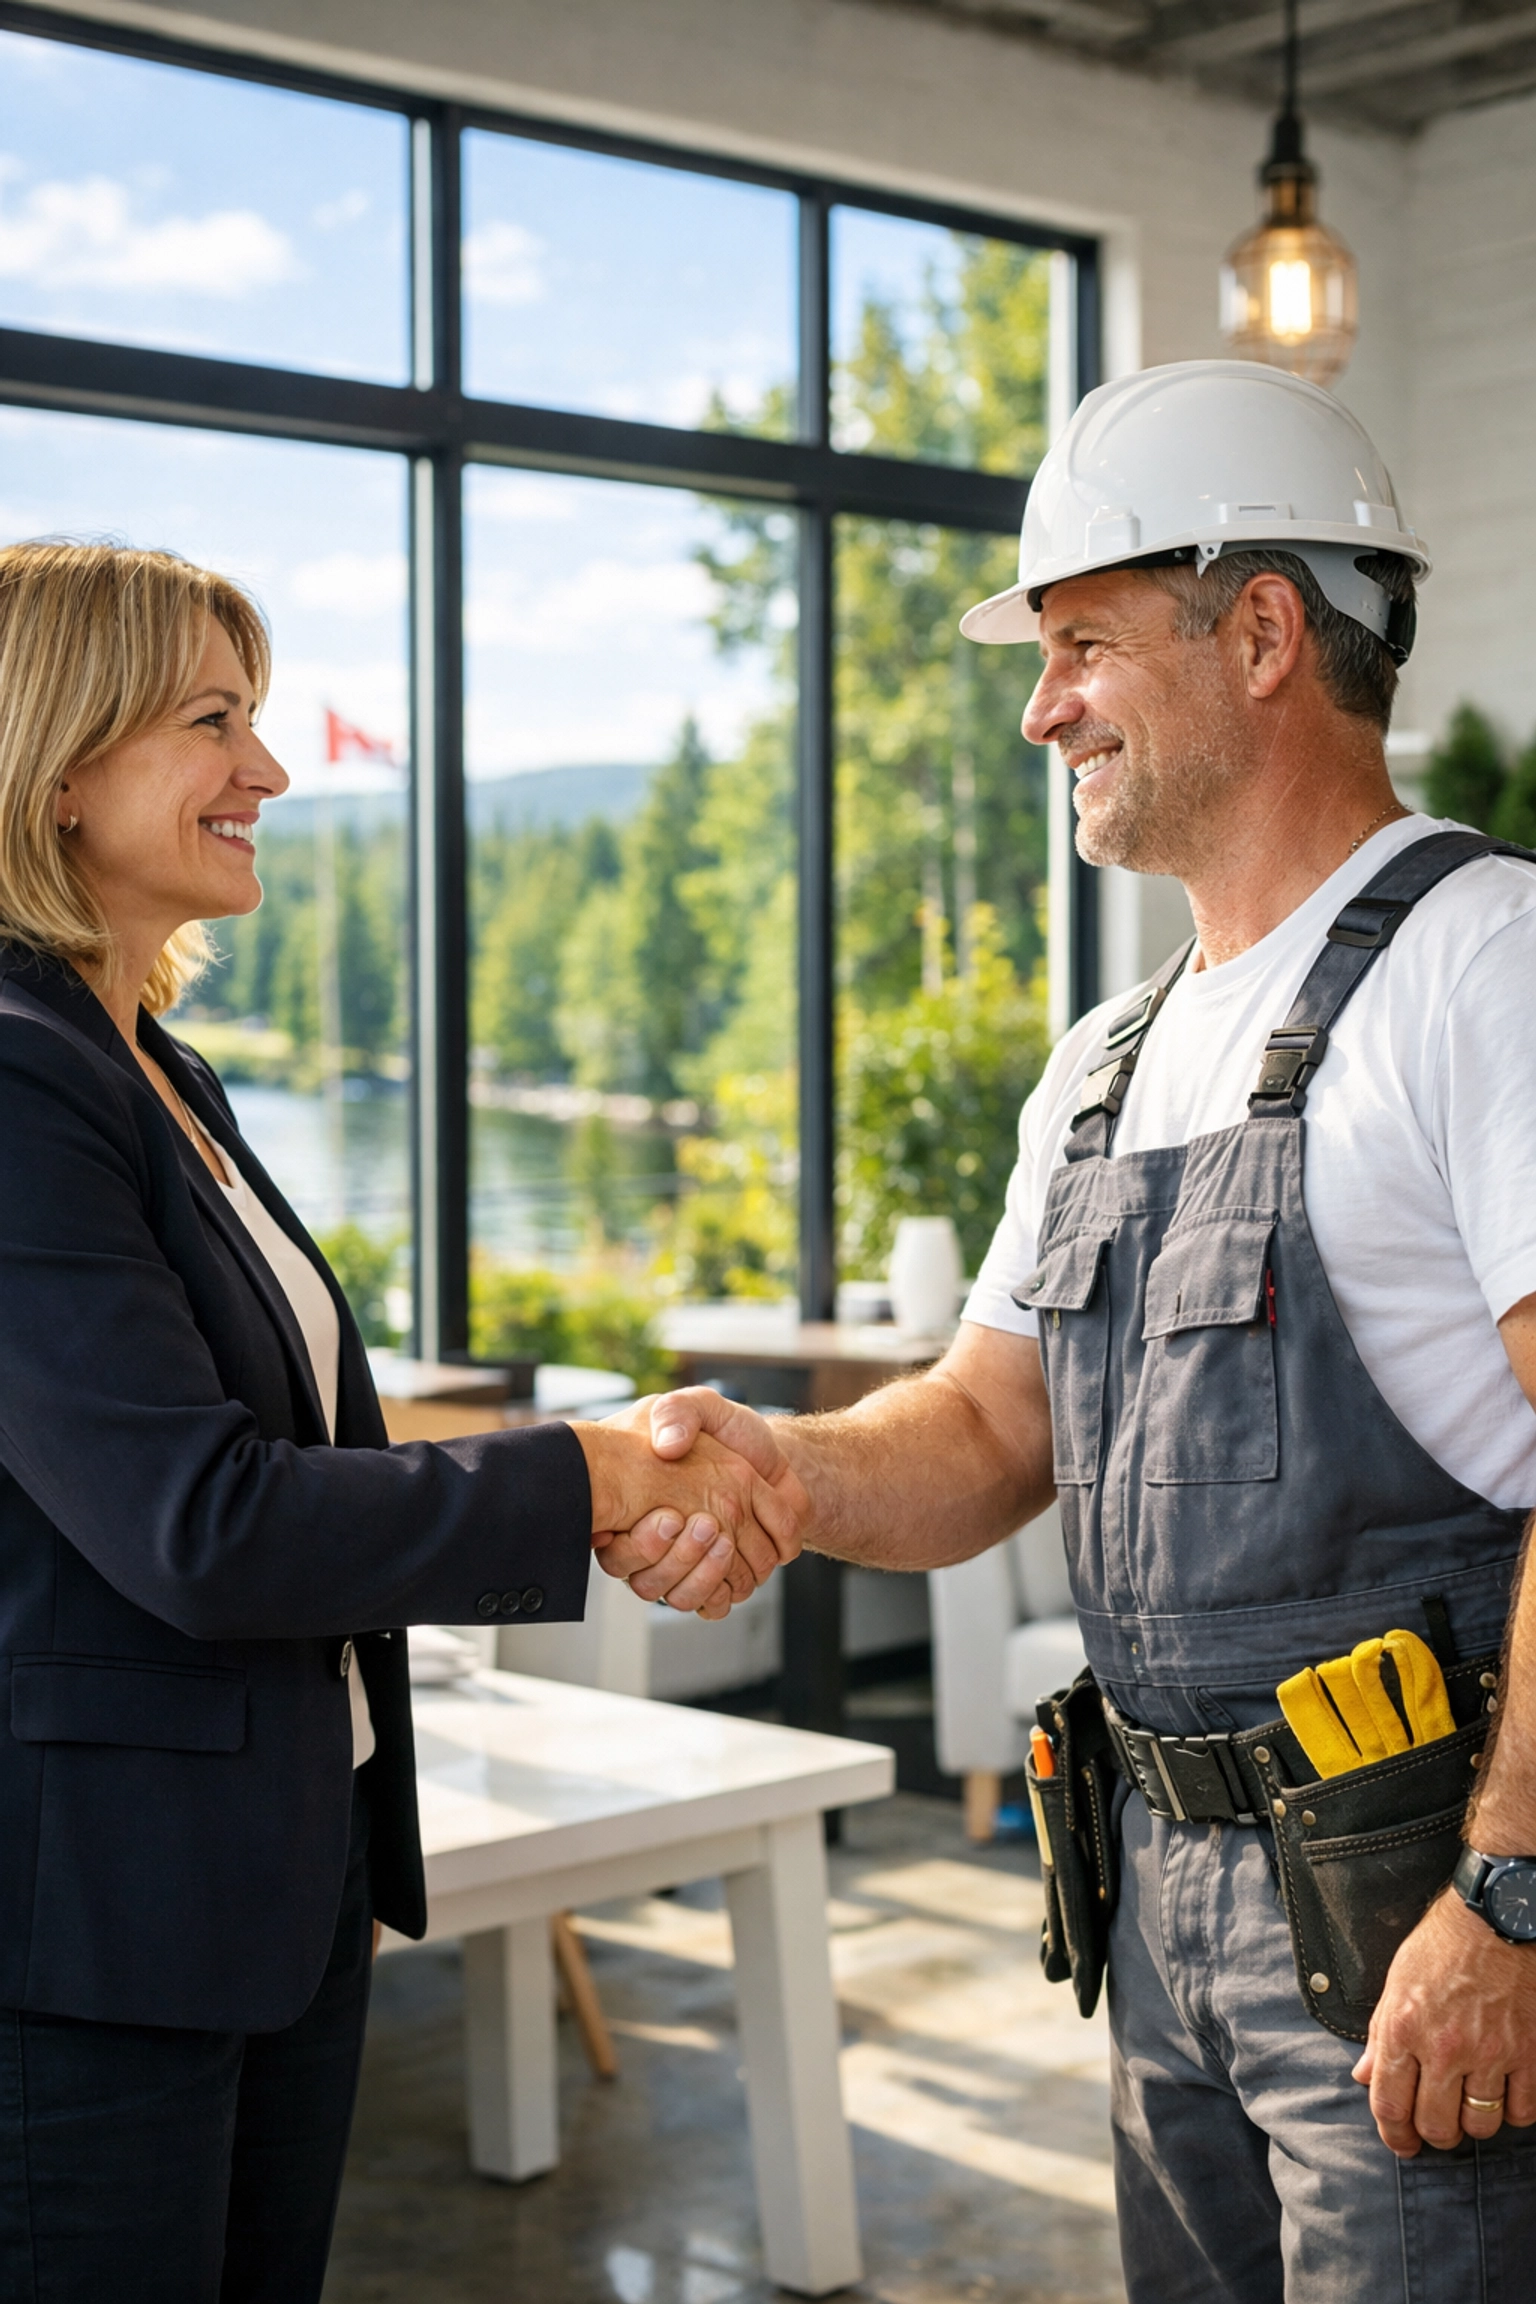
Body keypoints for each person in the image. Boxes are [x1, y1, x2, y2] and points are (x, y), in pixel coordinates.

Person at [623, 362, 1536, 2301]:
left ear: (1267, 629)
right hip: (1159, 1908)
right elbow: (985, 1426)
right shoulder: (1106, 1066)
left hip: (1417, 1908)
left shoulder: (1488, 966)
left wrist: (1513, 1897)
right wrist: (786, 1472)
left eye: (1083, 646)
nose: (1042, 709)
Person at [0, 539, 803, 2304]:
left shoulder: (157, 1068)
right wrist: (584, 1479)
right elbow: (202, 1525)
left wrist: (589, 1476)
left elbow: (295, 1461)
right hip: (92, 1949)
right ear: (59, 763)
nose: (269, 775)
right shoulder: (11, 1073)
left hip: (263, 1900)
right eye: (216, 723)